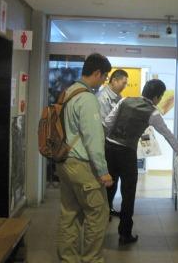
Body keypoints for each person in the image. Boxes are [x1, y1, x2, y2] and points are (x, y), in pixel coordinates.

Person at [104, 79, 178, 245]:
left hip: (109, 149)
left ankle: (98, 230)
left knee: (107, 189)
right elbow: (168, 134)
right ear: (157, 97)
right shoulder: (153, 113)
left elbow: (107, 123)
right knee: (128, 194)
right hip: (127, 153)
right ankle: (124, 234)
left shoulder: (124, 100)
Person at [56, 53, 113, 263]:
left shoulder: (68, 92)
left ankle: (67, 259)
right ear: (97, 73)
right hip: (82, 165)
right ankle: (91, 259)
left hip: (64, 163)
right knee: (98, 214)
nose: (103, 81)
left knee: (69, 214)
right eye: (104, 77)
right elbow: (93, 139)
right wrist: (103, 171)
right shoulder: (87, 98)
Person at [97, 69, 128, 217]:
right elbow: (104, 125)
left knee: (114, 180)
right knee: (108, 180)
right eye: (123, 83)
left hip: (113, 145)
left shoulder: (118, 97)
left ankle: (108, 208)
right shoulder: (103, 98)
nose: (124, 86)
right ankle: (104, 211)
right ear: (114, 80)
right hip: (105, 145)